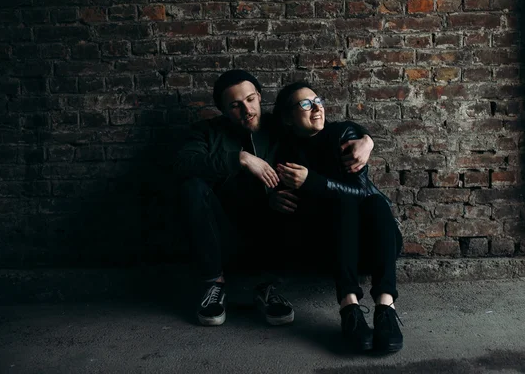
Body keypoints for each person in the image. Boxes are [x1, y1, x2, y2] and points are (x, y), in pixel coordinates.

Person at [173, 70, 375, 327]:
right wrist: (241, 159)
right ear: (223, 110)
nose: (246, 110)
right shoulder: (207, 132)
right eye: (235, 105)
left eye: (250, 100)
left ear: (259, 96)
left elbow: (324, 128)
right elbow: (182, 164)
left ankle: (268, 287)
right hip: (225, 231)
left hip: (275, 227)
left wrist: (366, 139)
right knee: (191, 187)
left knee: (293, 202)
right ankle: (214, 285)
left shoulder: (280, 126)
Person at [271, 82, 404, 353]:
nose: (317, 106)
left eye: (317, 100)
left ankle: (385, 307)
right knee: (339, 205)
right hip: (325, 247)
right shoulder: (283, 152)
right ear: (287, 118)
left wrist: (313, 182)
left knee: (374, 203)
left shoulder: (342, 133)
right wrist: (271, 197)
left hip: (373, 243)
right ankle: (350, 308)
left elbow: (361, 194)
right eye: (305, 104)